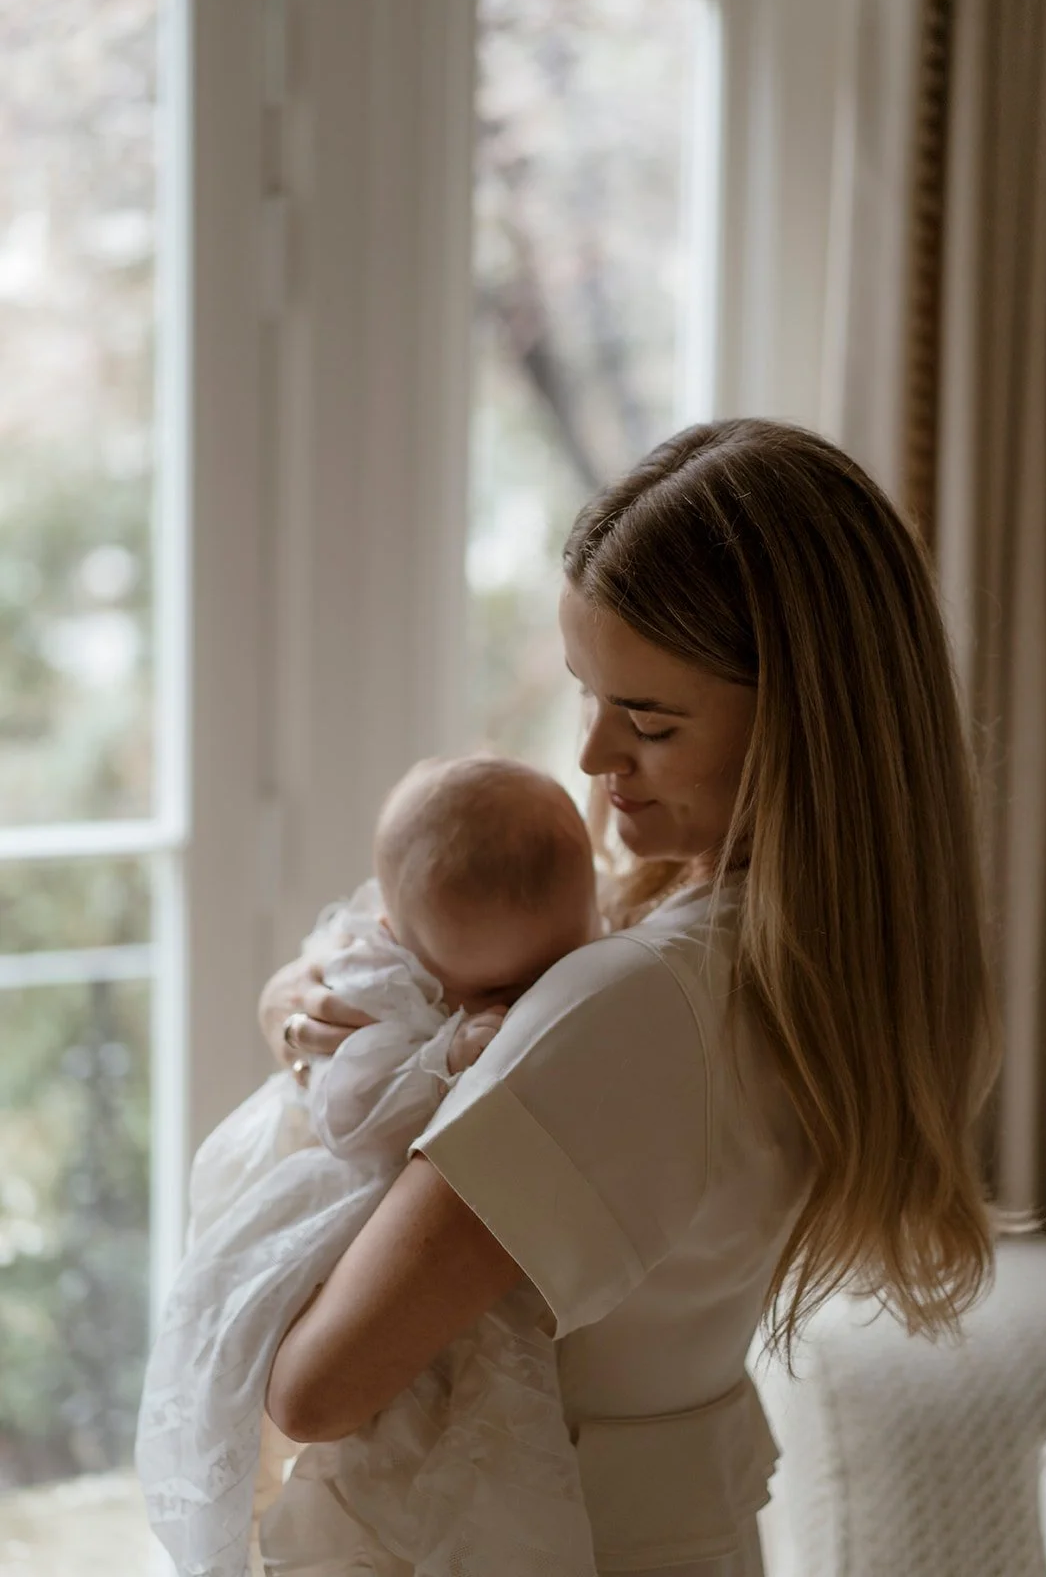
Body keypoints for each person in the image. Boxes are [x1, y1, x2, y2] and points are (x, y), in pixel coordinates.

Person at [260, 419, 1002, 1577]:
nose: (595, 756)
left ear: (805, 724)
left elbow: (315, 1388)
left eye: (650, 722)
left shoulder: (637, 1005)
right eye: (588, 695)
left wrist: (332, 1078)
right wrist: (311, 1000)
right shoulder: (816, 966)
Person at [136, 755, 604, 1577]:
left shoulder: (580, 966)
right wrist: (441, 1054)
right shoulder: (381, 977)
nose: (513, 1004)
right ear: (399, 936)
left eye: (546, 970)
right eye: (493, 987)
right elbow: (349, 1116)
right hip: (340, 1163)